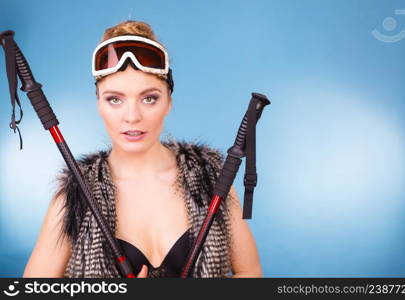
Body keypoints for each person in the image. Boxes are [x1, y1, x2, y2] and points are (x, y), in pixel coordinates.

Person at [22, 20, 262, 278]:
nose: (132, 116)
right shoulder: (76, 195)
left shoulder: (211, 179)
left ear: (168, 102)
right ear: (98, 104)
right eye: (115, 99)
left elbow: (250, 275)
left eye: (149, 98)